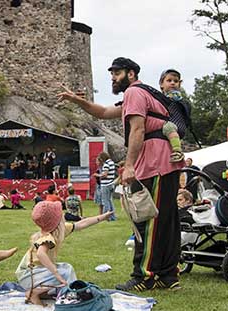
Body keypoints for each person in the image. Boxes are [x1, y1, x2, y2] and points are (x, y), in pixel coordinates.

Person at [57, 56, 184, 292]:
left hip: (154, 162)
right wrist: (77, 100)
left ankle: (144, 275)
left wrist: (130, 165)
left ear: (131, 74)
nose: (113, 78)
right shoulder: (138, 95)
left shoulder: (135, 93)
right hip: (166, 163)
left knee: (147, 219)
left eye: (117, 73)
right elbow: (104, 112)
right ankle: (168, 275)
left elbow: (138, 129)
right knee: (167, 220)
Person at [16, 201, 112, 305]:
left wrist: (102, 217)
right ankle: (38, 293)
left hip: (35, 272)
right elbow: (40, 254)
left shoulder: (60, 229)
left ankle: (43, 292)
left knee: (66, 268)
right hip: (28, 274)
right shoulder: (47, 238)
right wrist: (56, 274)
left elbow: (82, 223)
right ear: (56, 221)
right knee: (65, 272)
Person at [158, 69, 186, 163]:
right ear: (161, 84)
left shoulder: (180, 101)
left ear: (180, 84)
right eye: (169, 80)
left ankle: (177, 151)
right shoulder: (161, 98)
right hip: (177, 127)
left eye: (176, 81)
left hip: (173, 125)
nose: (173, 83)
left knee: (168, 128)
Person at [93, 152, 117, 221]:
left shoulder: (106, 164)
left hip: (106, 184)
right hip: (111, 183)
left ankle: (105, 217)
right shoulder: (112, 162)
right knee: (110, 201)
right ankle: (112, 216)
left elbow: (105, 175)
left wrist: (97, 175)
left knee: (105, 201)